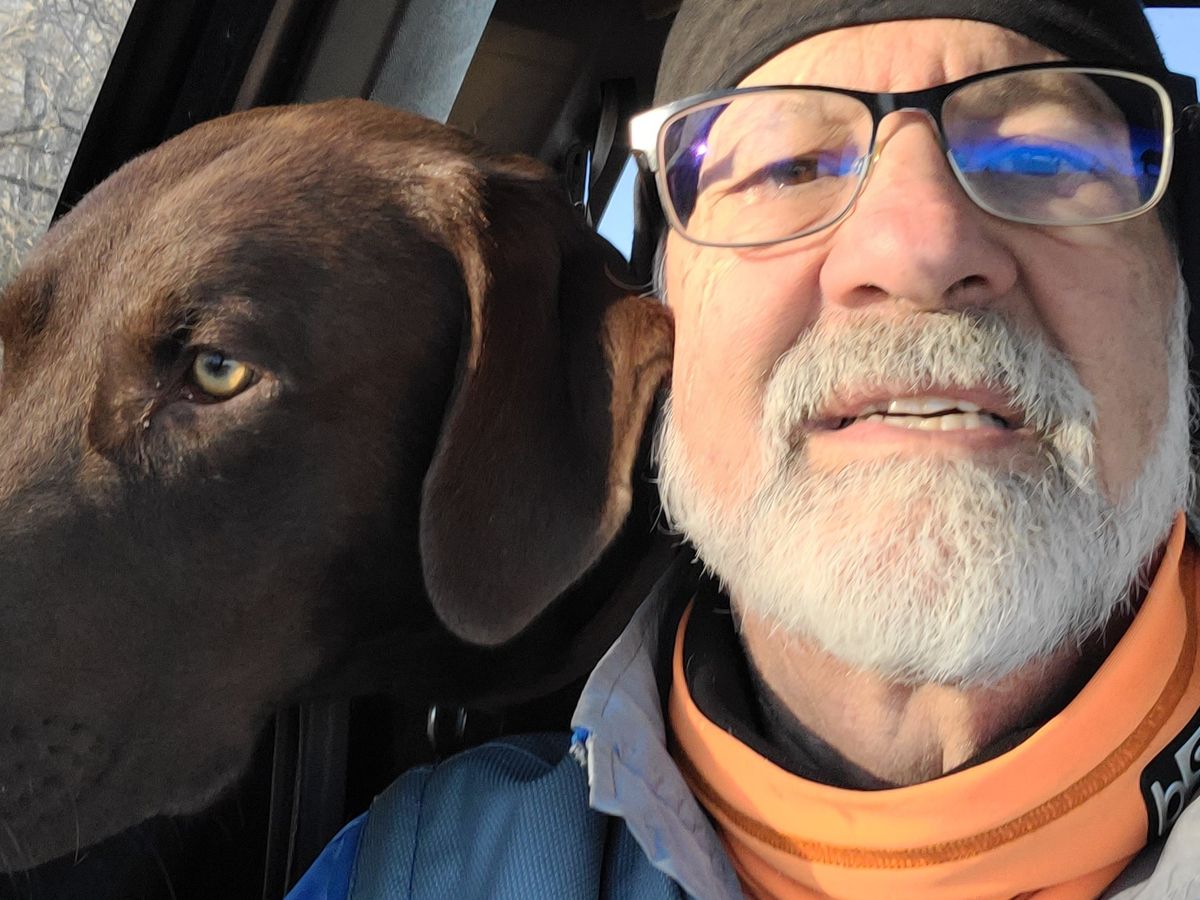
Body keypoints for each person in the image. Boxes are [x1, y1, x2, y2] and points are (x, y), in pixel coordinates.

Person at [289, 1, 1200, 897]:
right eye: (788, 167)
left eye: (1043, 157)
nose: (920, 249)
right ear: (664, 321)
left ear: (1178, 293)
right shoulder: (409, 875)